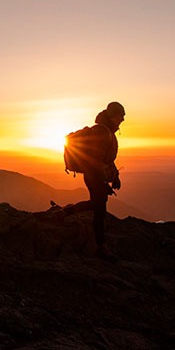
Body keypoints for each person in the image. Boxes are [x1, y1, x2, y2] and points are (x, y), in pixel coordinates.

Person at [60, 101, 127, 258]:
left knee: (97, 204)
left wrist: (115, 176)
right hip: (93, 175)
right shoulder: (102, 132)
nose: (123, 119)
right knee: (99, 210)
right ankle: (101, 247)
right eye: (120, 115)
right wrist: (104, 182)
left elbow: (107, 158)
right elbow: (95, 160)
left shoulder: (106, 131)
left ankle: (66, 212)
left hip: (95, 175)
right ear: (112, 115)